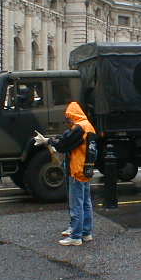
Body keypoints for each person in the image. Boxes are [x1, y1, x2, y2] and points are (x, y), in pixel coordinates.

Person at [48, 102, 96, 246]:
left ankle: (75, 236)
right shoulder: (89, 126)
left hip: (77, 169)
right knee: (86, 203)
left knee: (77, 204)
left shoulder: (79, 128)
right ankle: (86, 233)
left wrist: (50, 141)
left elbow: (64, 144)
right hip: (87, 168)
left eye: (68, 117)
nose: (68, 121)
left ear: (72, 115)